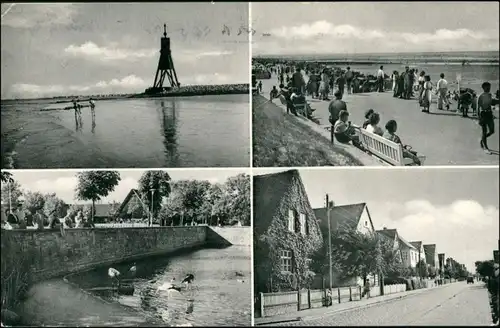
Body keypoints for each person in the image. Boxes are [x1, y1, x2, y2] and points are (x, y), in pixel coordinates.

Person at [477, 82, 498, 154]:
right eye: (487, 87)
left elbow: (492, 103)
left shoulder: (489, 95)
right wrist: (479, 117)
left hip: (489, 114)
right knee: (484, 131)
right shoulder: (481, 96)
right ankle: (486, 148)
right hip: (483, 114)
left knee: (492, 131)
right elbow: (478, 107)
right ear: (483, 88)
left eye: (489, 87)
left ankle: (482, 139)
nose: (489, 88)